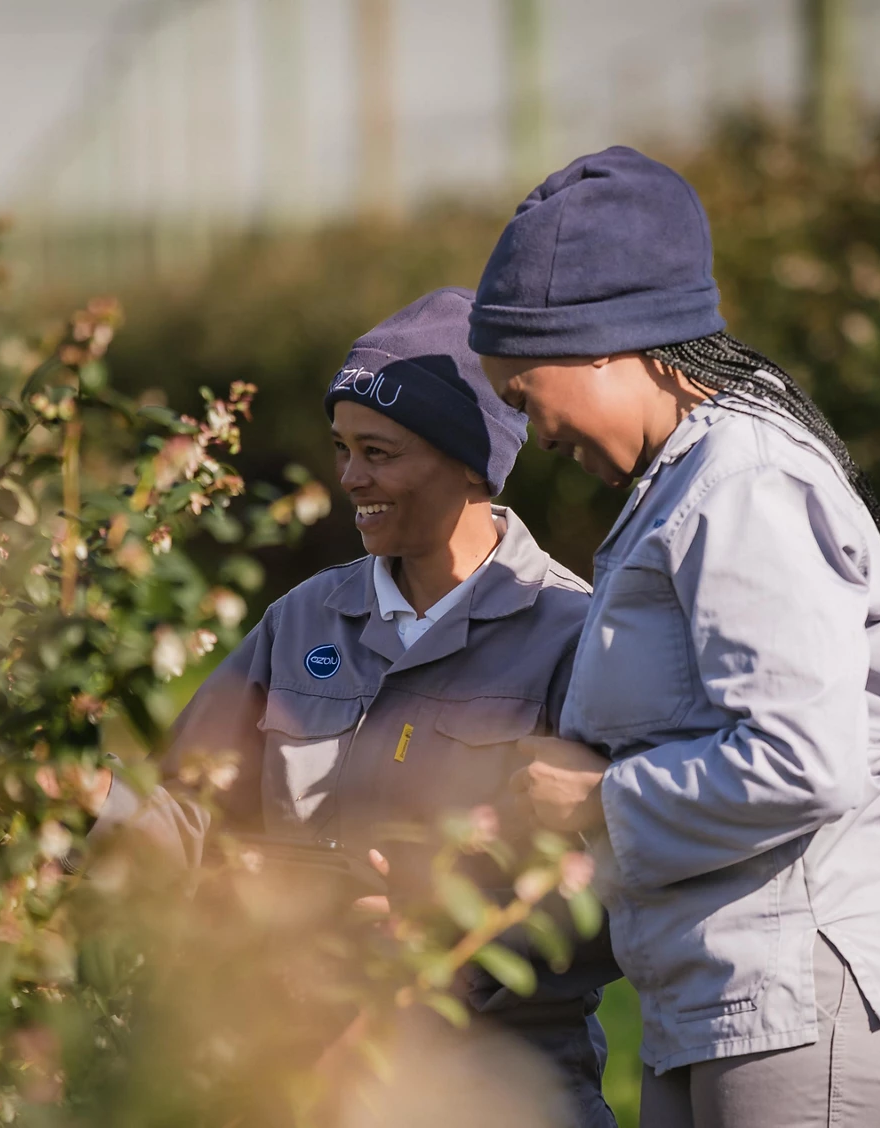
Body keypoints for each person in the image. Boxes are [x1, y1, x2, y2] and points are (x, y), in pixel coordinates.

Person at [470, 146, 880, 1127]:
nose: (531, 436)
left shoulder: (741, 482)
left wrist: (596, 798)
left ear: (602, 344)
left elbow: (799, 760)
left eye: (520, 395)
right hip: (722, 987)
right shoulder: (683, 478)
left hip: (809, 974)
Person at [88, 287, 620, 1128]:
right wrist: (86, 803)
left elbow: (627, 882)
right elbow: (187, 818)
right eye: (342, 448)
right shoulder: (300, 622)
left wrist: (452, 933)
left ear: (472, 462)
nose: (349, 477)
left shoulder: (574, 634)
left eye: (378, 451)